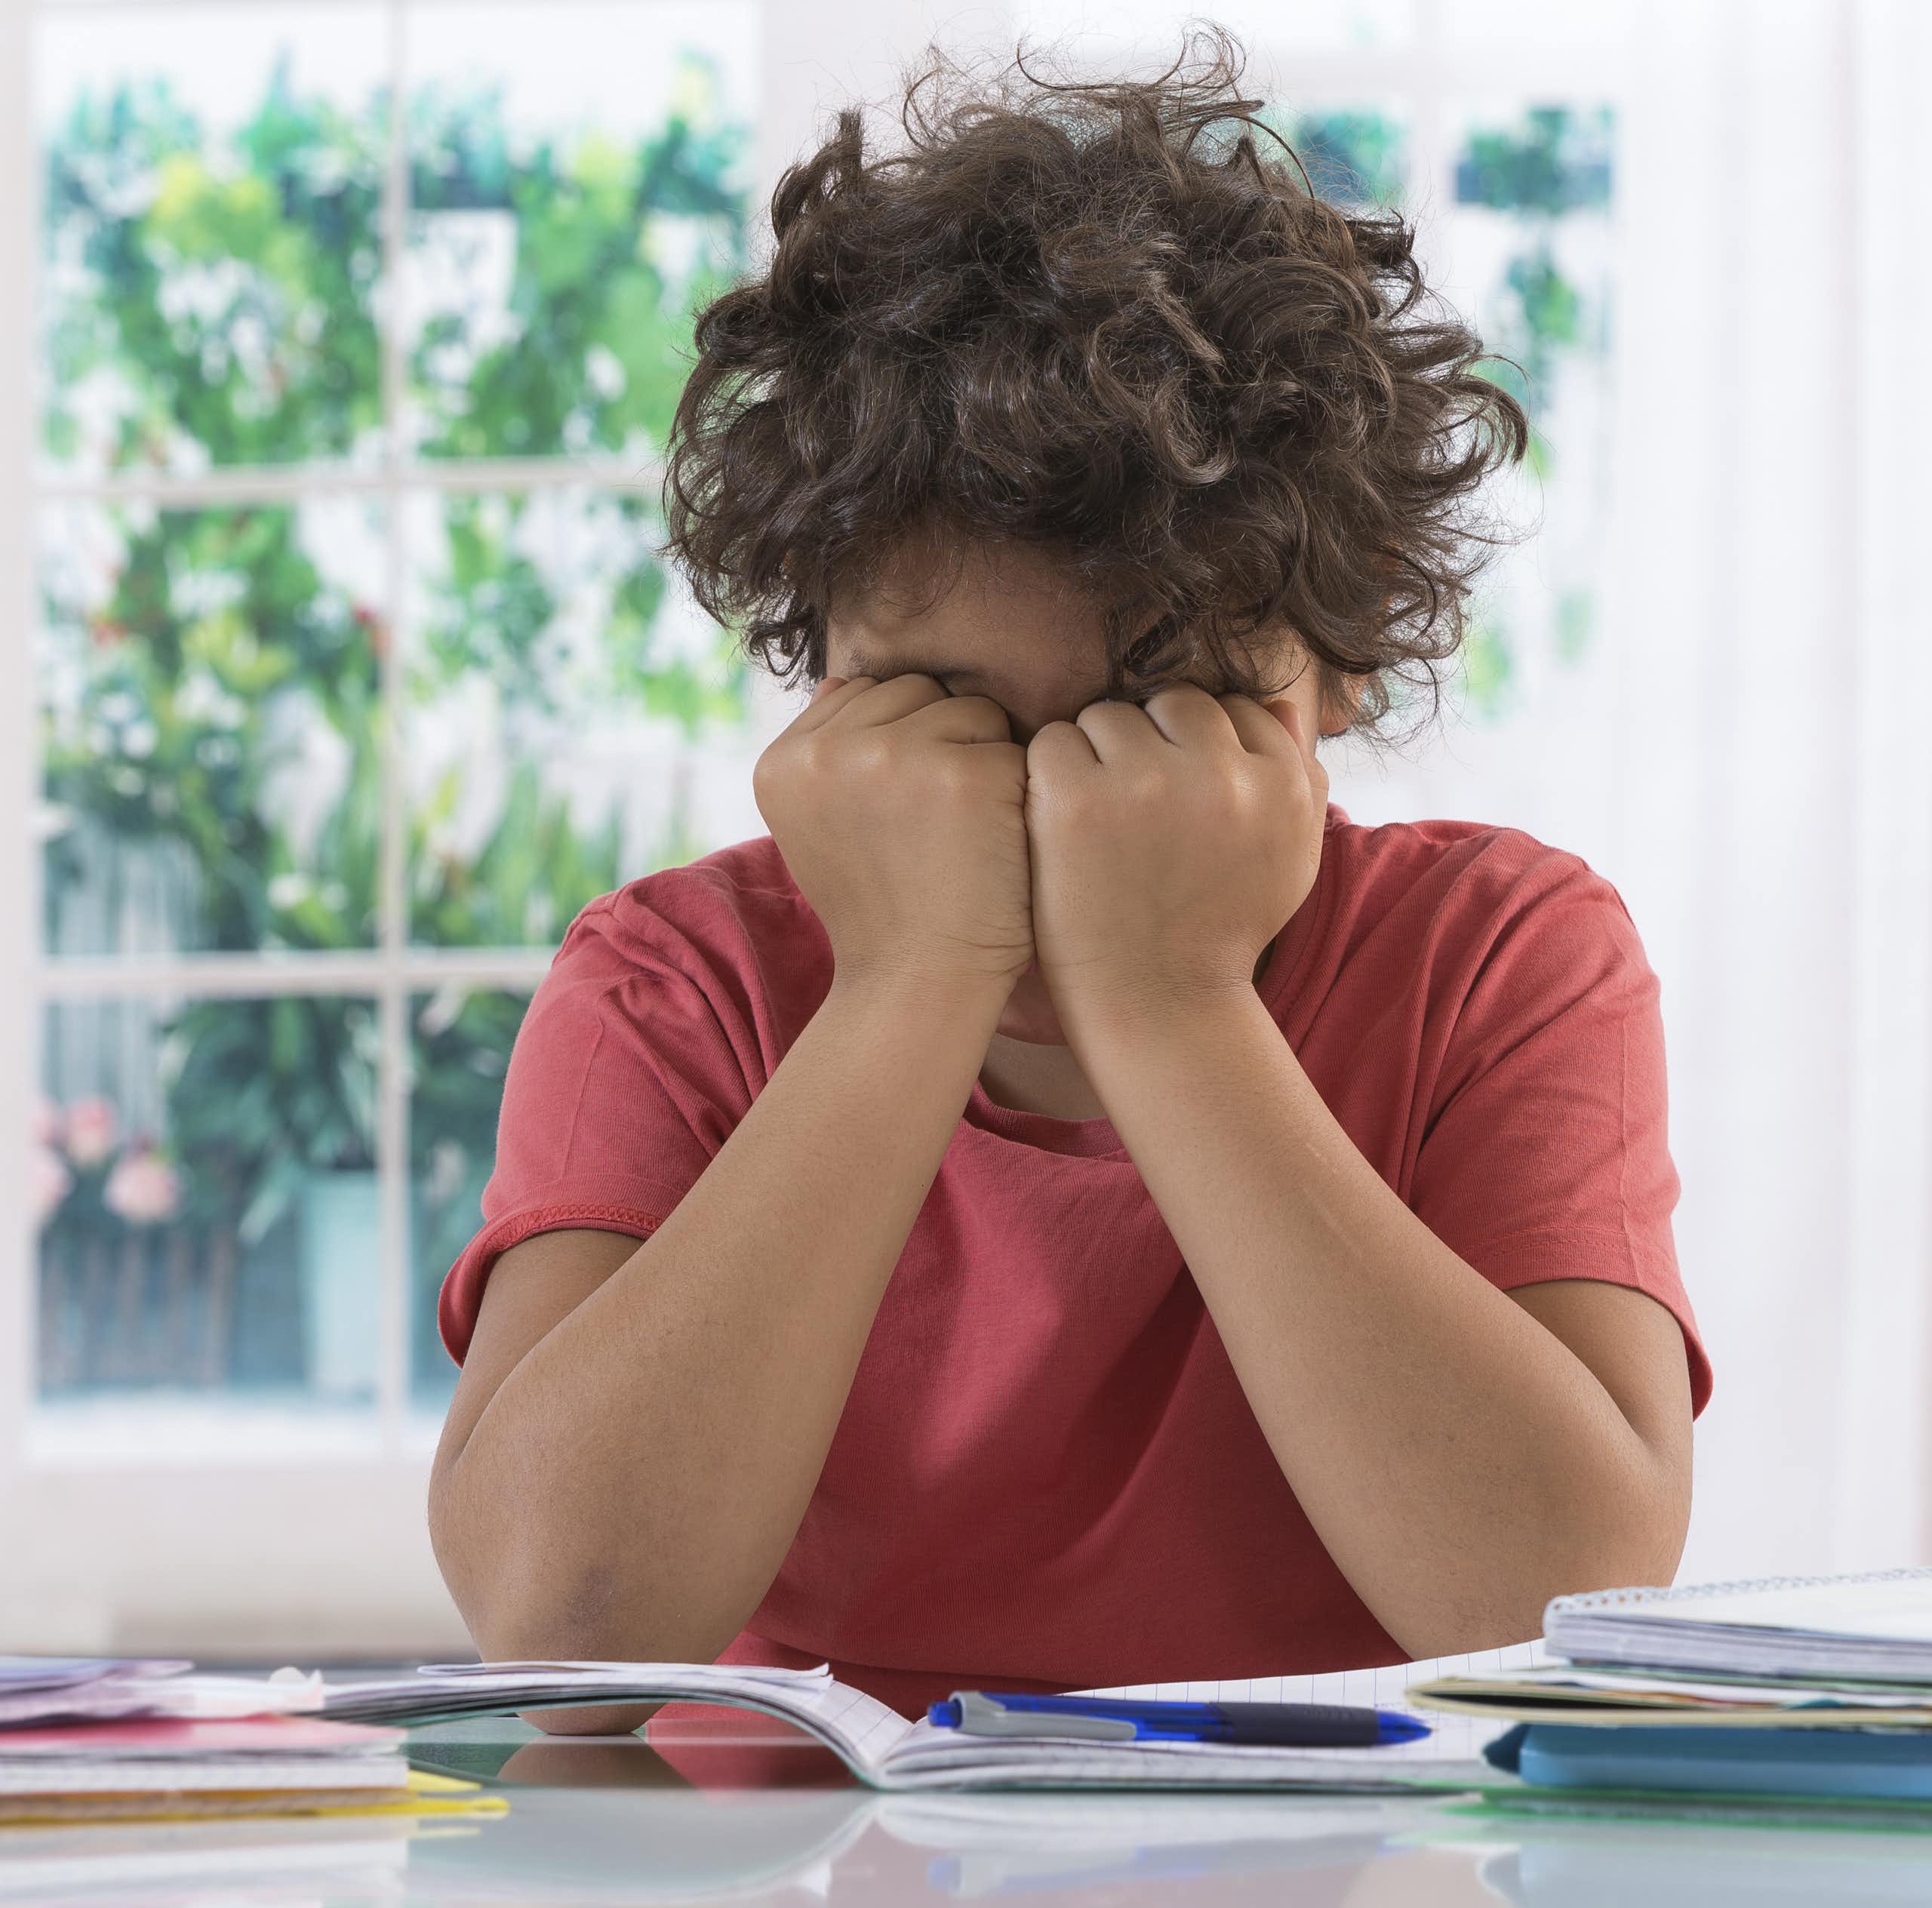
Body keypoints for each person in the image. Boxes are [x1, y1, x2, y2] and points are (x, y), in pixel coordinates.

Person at [426, 26, 1709, 1733]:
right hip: (788, 1854)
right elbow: (563, 1633)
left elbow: (1558, 1610)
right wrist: (904, 982)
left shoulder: (1499, 955)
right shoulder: (675, 983)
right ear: (814, 663)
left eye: (1160, 717)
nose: (1059, 813)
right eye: (940, 713)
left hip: (1354, 1853)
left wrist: (1171, 1002)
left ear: (1338, 667)